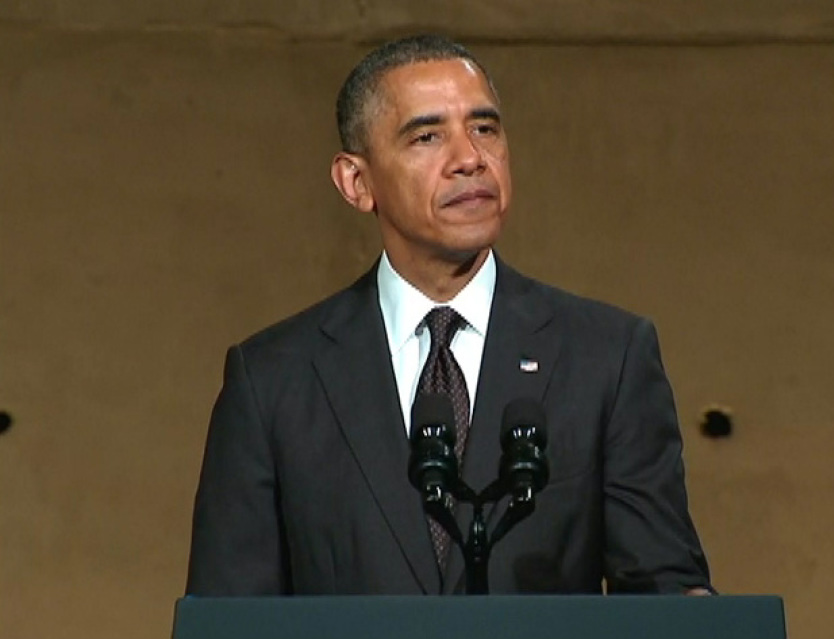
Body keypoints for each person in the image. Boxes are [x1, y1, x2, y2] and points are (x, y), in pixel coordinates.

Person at [186, 34, 712, 596]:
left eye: (485, 129)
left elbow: (667, 595)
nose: (470, 159)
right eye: (427, 136)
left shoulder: (609, 357)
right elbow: (229, 615)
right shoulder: (272, 380)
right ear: (356, 182)